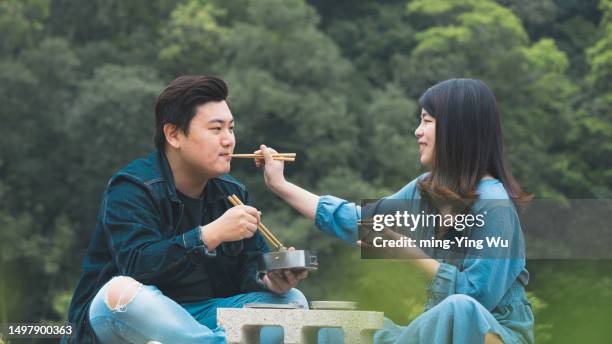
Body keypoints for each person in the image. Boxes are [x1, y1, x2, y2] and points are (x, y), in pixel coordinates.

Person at [257, 79, 534, 343]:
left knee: (458, 309)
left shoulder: (494, 205)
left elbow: (477, 299)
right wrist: (280, 185)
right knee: (336, 326)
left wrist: (409, 253)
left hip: (492, 333)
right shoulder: (426, 190)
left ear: (457, 129)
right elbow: (359, 221)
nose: (418, 131)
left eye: (427, 121)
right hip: (432, 330)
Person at [64, 75, 308, 344]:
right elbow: (137, 267)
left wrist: (270, 278)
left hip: (196, 320)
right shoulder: (132, 187)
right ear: (173, 134)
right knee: (122, 292)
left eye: (231, 128)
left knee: (292, 301)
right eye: (216, 129)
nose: (228, 140)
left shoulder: (232, 194)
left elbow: (250, 269)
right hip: (125, 318)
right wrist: (208, 236)